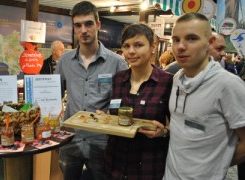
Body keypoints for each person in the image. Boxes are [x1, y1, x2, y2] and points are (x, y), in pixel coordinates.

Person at [163, 12, 245, 179]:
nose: (180, 46)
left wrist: (216, 164)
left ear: (210, 42)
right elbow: (185, 126)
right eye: (176, 40)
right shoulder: (177, 77)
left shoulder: (228, 85)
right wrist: (164, 131)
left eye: (191, 38)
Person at [55, 1, 127, 180]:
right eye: (78, 25)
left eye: (88, 23)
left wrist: (112, 114)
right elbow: (53, 94)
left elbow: (125, 103)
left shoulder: (117, 63)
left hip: (101, 141)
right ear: (73, 28)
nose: (83, 30)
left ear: (98, 25)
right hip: (70, 139)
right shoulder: (64, 61)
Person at [103, 23, 173, 179]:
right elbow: (113, 113)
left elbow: (177, 125)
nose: (131, 51)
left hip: (147, 166)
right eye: (126, 46)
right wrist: (104, 119)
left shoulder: (167, 81)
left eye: (138, 45)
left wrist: (165, 132)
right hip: (114, 164)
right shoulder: (118, 79)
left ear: (153, 46)